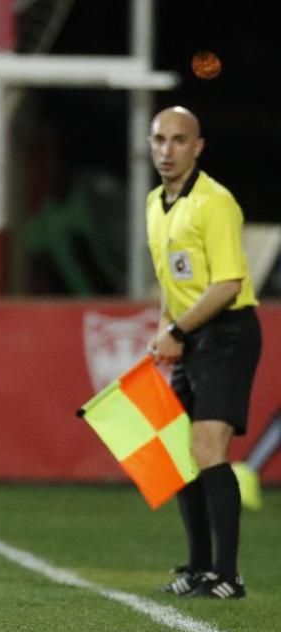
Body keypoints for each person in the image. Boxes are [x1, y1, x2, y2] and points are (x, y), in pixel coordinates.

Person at [146, 106, 261, 600]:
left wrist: (175, 328)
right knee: (180, 456)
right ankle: (197, 568)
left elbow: (227, 284)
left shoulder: (215, 202)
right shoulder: (155, 201)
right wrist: (164, 334)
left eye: (178, 140)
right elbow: (170, 282)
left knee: (209, 450)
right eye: (159, 140)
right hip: (190, 334)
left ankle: (228, 575)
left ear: (197, 147)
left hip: (228, 333)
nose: (166, 150)